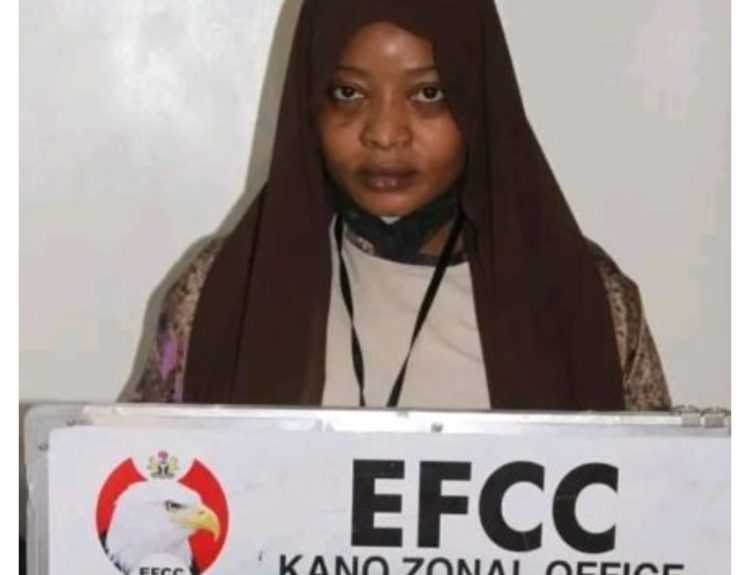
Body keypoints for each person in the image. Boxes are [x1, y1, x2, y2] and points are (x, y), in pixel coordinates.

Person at [134, 0, 670, 410]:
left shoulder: (588, 302)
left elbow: (660, 502)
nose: (385, 134)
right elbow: (143, 495)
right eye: (348, 93)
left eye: (428, 94)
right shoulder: (221, 292)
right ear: (310, 104)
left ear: (478, 102)